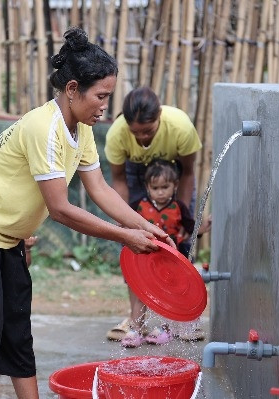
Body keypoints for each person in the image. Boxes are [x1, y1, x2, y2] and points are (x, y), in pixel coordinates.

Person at [0, 27, 171, 399]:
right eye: (101, 96)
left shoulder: (82, 128)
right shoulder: (44, 128)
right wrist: (127, 237)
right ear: (74, 89)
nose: (104, 106)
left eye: (108, 97)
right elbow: (60, 209)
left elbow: (100, 189)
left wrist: (147, 227)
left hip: (8, 238)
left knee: (16, 335)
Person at [104, 87, 205, 344]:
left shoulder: (180, 127)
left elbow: (188, 172)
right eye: (134, 132)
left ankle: (179, 319)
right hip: (135, 177)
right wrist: (125, 220)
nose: (141, 138)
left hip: (173, 176)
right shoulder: (117, 134)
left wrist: (179, 214)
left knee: (177, 250)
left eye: (147, 131)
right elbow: (118, 179)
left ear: (159, 116)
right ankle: (136, 321)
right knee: (137, 251)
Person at [120, 159, 196, 347]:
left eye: (165, 187)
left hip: (169, 262)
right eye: (155, 188)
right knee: (141, 294)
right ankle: (135, 330)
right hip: (144, 259)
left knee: (168, 295)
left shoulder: (179, 207)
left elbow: (191, 228)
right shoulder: (139, 205)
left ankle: (165, 330)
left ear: (175, 186)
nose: (160, 192)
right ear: (147, 187)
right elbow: (128, 222)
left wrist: (204, 228)